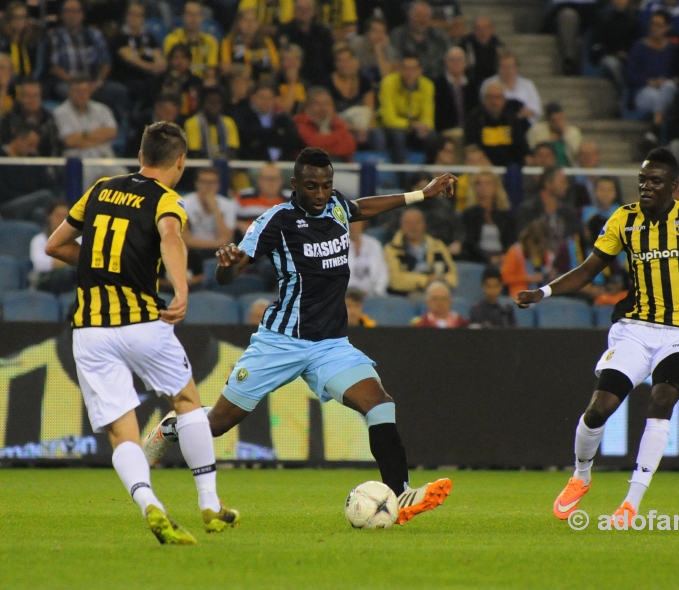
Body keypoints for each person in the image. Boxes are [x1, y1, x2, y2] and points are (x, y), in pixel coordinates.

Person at [143, 147, 455, 525]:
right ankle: (174, 425)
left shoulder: (337, 206)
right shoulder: (276, 221)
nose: (321, 194)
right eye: (312, 186)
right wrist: (226, 268)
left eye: (326, 185)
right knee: (217, 425)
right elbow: (231, 270)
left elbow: (363, 207)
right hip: (280, 343)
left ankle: (401, 493)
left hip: (330, 345)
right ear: (295, 185)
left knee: (380, 405)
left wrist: (422, 193)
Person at [515, 146, 679, 525]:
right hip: (635, 331)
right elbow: (589, 269)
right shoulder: (623, 220)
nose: (646, 187)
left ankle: (631, 503)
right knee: (598, 410)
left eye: (655, 181)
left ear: (674, 186)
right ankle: (581, 475)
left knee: (661, 400)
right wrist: (543, 292)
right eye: (642, 180)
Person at [44, 121, 240, 544]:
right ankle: (208, 502)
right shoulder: (166, 199)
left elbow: (54, 245)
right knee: (187, 401)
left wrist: (99, 268)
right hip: (142, 322)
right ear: (181, 162)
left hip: (91, 328)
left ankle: (150, 503)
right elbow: (170, 235)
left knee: (122, 432)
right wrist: (182, 287)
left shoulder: (99, 188)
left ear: (140, 156)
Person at [47, 0, 127, 121]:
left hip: (93, 82)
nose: (72, 15)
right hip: (67, 82)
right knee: (64, 91)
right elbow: (52, 66)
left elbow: (106, 63)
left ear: (82, 14)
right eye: (68, 11)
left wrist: (97, 82)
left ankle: (119, 129)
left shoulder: (94, 35)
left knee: (119, 90)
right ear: (62, 15)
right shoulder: (53, 35)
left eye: (75, 11)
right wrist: (76, 84)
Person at [53, 76, 121, 189]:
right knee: (84, 186)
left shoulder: (102, 109)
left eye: (85, 91)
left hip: (105, 157)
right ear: (69, 92)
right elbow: (69, 141)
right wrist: (99, 136)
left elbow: (112, 132)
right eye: (77, 91)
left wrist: (83, 136)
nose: (82, 94)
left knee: (124, 179)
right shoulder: (60, 113)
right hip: (78, 161)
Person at [625, 10, 678, 140]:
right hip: (644, 91)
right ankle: (658, 128)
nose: (654, 28)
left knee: (669, 86)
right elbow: (630, 76)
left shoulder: (672, 50)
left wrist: (671, 80)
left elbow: (677, 74)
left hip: (666, 90)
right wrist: (651, 82)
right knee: (658, 97)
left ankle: (656, 127)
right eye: (653, 24)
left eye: (659, 25)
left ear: (667, 27)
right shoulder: (639, 47)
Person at [553, 214, 625, 304]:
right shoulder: (567, 248)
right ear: (586, 231)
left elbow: (618, 278)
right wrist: (587, 290)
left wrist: (614, 287)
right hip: (577, 296)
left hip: (605, 296)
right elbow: (558, 280)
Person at [385, 207, 458, 296]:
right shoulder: (392, 249)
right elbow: (396, 281)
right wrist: (426, 280)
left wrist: (439, 282)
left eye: (417, 222)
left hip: (437, 291)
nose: (413, 227)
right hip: (407, 296)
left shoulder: (438, 246)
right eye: (408, 222)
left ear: (424, 224)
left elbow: (453, 277)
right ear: (401, 225)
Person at [378, 53, 435, 164]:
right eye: (405, 68)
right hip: (392, 128)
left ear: (420, 70)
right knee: (398, 134)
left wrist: (424, 127)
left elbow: (428, 117)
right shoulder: (388, 83)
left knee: (432, 135)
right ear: (399, 69)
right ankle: (402, 172)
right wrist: (410, 125)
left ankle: (428, 171)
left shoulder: (427, 85)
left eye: (413, 69)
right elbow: (388, 118)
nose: (409, 72)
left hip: (415, 128)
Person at [181, 167, 237, 277]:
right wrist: (215, 243)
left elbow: (227, 239)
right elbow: (185, 238)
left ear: (218, 185)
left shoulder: (228, 205)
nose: (208, 186)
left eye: (212, 182)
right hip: (192, 252)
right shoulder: (184, 204)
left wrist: (215, 210)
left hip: (218, 253)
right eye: (204, 182)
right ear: (197, 183)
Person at [109, 1, 166, 103]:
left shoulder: (149, 37)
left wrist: (159, 66)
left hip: (148, 78)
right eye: (132, 14)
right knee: (151, 85)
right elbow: (132, 60)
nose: (134, 18)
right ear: (126, 15)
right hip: (126, 79)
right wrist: (152, 68)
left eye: (138, 15)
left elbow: (159, 58)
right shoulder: (119, 38)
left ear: (143, 18)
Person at [464, 81, 529, 167]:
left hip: (509, 169)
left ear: (504, 100)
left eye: (498, 97)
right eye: (490, 97)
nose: (494, 102)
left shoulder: (512, 119)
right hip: (483, 169)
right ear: (484, 99)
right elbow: (472, 146)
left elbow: (521, 146)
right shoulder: (475, 118)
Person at [231, 83, 301, 161]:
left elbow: (291, 140)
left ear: (274, 100)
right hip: (253, 163)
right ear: (253, 97)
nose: (265, 101)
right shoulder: (242, 115)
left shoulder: (282, 118)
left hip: (282, 163)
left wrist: (260, 138)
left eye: (269, 98)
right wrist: (277, 134)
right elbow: (247, 136)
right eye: (261, 97)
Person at [515, 166, 578, 253]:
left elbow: (573, 241)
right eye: (563, 182)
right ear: (548, 183)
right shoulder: (527, 210)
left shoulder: (568, 214)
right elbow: (523, 241)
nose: (566, 186)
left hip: (563, 262)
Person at [459, 170, 516, 265]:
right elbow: (469, 242)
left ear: (496, 187)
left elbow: (512, 240)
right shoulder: (469, 215)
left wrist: (503, 256)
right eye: (479, 183)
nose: (483, 187)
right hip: (477, 260)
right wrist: (488, 259)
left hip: (503, 258)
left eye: (488, 183)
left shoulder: (506, 215)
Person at [327, 42, 376, 148]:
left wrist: (364, 129)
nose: (344, 64)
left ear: (354, 61)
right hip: (338, 126)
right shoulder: (327, 83)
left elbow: (370, 110)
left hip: (362, 127)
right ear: (335, 63)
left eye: (347, 60)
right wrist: (352, 128)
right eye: (340, 60)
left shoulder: (364, 82)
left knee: (377, 135)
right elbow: (329, 115)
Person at [278, 0, 334, 87]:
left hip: (321, 81)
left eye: (307, 9)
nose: (303, 12)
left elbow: (329, 60)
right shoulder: (284, 31)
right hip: (294, 81)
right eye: (300, 9)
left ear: (314, 12)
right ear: (294, 11)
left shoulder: (323, 32)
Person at [389, 2, 450, 80]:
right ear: (410, 16)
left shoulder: (439, 34)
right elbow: (395, 63)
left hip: (439, 81)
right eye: (418, 15)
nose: (422, 20)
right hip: (409, 83)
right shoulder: (398, 35)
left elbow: (449, 57)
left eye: (426, 16)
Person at [293, 86, 357, 162]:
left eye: (326, 103)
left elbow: (350, 147)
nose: (323, 107)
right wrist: (340, 137)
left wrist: (324, 144)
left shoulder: (338, 123)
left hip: (341, 165)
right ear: (307, 106)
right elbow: (313, 144)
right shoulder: (300, 122)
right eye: (317, 103)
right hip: (310, 165)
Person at [480, 51, 543, 126]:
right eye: (504, 67)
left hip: (525, 126)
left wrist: (523, 114)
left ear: (516, 68)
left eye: (510, 67)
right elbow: (486, 107)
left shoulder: (528, 85)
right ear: (498, 67)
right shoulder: (488, 85)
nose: (507, 70)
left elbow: (536, 109)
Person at [0, 78, 60, 156]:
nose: (32, 100)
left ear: (41, 98)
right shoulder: (8, 120)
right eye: (27, 95)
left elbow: (54, 147)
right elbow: (5, 146)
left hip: (42, 164)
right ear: (20, 97)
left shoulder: (49, 120)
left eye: (35, 95)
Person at [220, 9, 280, 85]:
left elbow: (275, 66)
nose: (250, 24)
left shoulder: (266, 41)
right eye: (246, 20)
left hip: (262, 80)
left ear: (258, 24)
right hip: (238, 81)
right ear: (239, 23)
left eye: (253, 21)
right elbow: (225, 67)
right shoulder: (229, 41)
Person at [590, 0, 640, 91]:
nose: (620, 1)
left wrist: (627, 54)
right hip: (607, 56)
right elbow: (597, 46)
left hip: (628, 56)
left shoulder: (634, 21)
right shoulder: (603, 19)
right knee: (613, 64)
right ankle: (622, 93)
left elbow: (637, 43)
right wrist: (615, 53)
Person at [29, 200, 77, 294]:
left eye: (66, 216)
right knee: (66, 273)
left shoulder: (78, 239)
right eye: (58, 215)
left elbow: (86, 261)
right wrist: (71, 259)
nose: (62, 219)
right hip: (47, 282)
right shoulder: (39, 240)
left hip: (74, 280)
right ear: (49, 217)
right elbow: (40, 265)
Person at [163, 1, 219, 82]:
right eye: (189, 14)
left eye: (197, 14)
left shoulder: (210, 41)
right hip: (179, 81)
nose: (193, 18)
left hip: (201, 83)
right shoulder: (172, 39)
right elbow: (173, 68)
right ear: (183, 17)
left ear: (201, 17)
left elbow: (210, 70)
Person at [500, 220, 554, 299]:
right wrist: (527, 279)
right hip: (521, 295)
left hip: (543, 297)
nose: (540, 248)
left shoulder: (548, 255)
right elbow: (504, 278)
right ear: (529, 240)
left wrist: (551, 276)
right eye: (537, 245)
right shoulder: (515, 252)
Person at [183, 86, 240, 161]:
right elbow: (195, 152)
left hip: (225, 166)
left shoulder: (228, 122)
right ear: (202, 103)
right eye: (210, 102)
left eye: (218, 102)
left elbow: (232, 150)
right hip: (201, 167)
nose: (214, 106)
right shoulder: (192, 122)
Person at [433, 46, 479, 137]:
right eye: (452, 60)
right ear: (446, 63)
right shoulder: (437, 85)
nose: (456, 63)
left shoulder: (472, 85)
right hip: (446, 131)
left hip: (469, 130)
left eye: (459, 60)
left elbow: (475, 111)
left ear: (465, 63)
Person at [0, 1, 44, 84]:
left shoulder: (34, 42)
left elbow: (39, 67)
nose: (20, 21)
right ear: (9, 19)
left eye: (23, 17)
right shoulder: (2, 41)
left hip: (30, 83)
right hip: (7, 84)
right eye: (16, 17)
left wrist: (28, 82)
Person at [527, 101, 582, 166]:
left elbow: (576, 153)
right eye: (554, 120)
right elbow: (533, 151)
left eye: (560, 119)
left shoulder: (573, 132)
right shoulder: (537, 130)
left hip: (569, 166)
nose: (557, 123)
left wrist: (563, 135)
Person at [155, 44, 204, 117]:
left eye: (184, 58)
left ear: (189, 61)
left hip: (191, 118)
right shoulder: (161, 79)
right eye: (176, 57)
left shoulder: (196, 81)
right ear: (170, 60)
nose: (179, 62)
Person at [235, 163, 286, 232]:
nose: (271, 183)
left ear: (281, 181)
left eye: (274, 179)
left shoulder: (292, 199)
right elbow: (230, 221)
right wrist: (241, 225)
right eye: (267, 178)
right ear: (259, 180)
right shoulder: (243, 197)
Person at [350, 16, 399, 86]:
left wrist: (378, 50)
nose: (379, 35)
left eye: (382, 31)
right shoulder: (356, 45)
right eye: (375, 31)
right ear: (367, 33)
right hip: (359, 85)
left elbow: (386, 76)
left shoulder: (389, 49)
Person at [348, 219, 389, 297]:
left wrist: (376, 291)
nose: (353, 227)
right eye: (350, 223)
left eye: (356, 223)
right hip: (347, 296)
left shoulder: (374, 244)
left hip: (373, 295)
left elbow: (383, 274)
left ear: (363, 224)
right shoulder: (337, 246)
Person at [459, 16, 503, 88]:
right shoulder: (465, 45)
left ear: (492, 29)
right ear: (473, 30)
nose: (482, 32)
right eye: (478, 29)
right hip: (470, 85)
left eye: (486, 28)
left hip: (492, 85)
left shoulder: (498, 46)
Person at [275, 43, 308, 116]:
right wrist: (292, 83)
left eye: (295, 58)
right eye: (287, 59)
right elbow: (285, 110)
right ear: (281, 63)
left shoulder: (305, 83)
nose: (292, 62)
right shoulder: (274, 83)